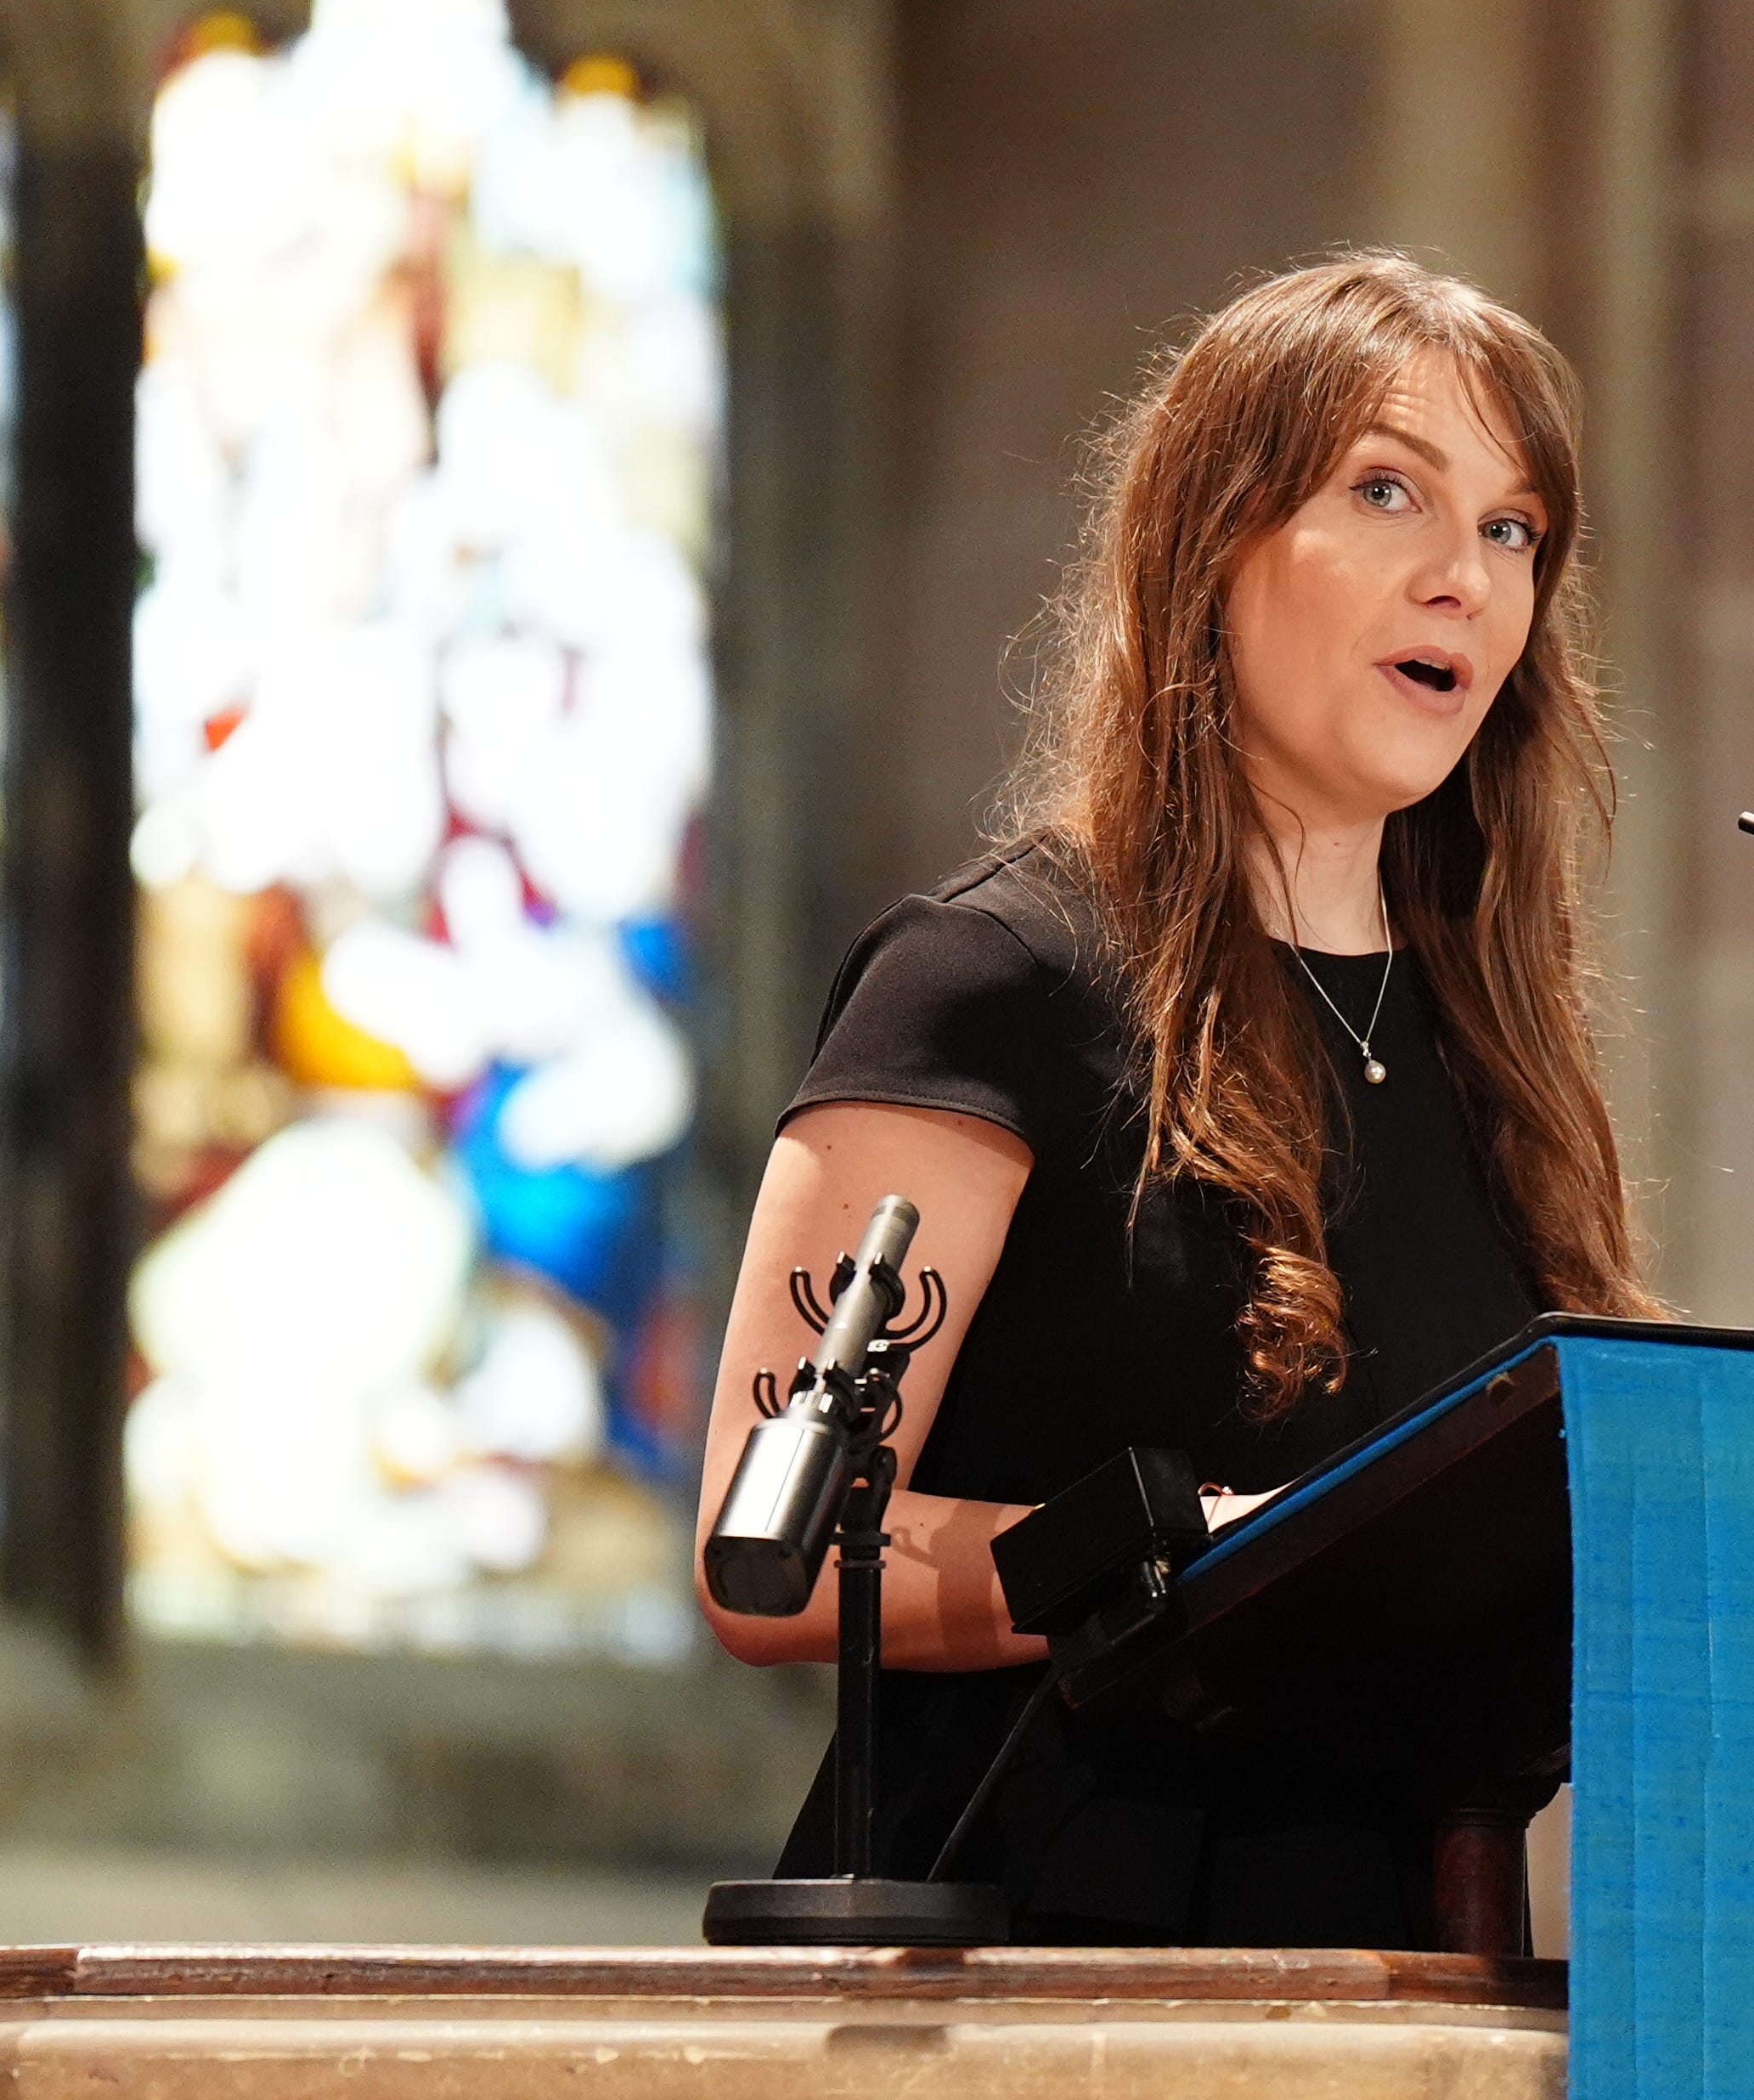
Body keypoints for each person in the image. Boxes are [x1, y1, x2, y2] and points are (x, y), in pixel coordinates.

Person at [691, 251, 1655, 1947]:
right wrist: (1207, 1563)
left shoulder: (1488, 1041)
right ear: (1213, 538)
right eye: (1388, 492)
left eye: (1514, 530)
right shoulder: (990, 981)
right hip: (1043, 1958)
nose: (1465, 578)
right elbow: (763, 1557)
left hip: (1407, 1968)